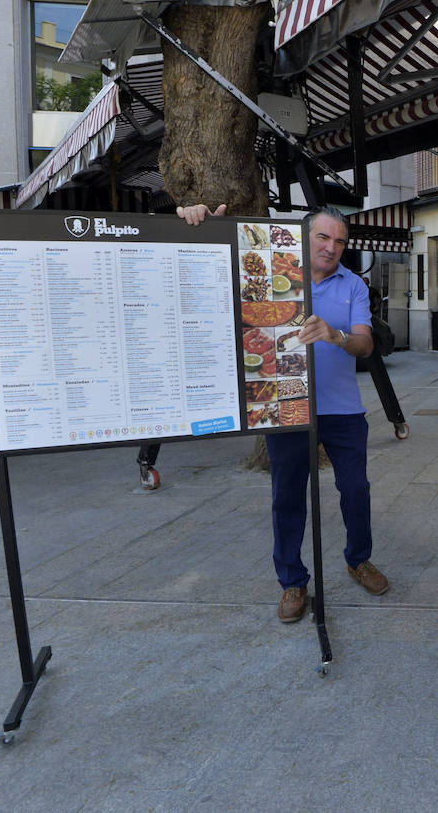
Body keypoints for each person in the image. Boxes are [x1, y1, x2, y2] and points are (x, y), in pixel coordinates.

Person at [177, 202, 388, 623]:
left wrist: (335, 334)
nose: (332, 247)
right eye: (323, 237)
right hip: (283, 404)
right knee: (287, 497)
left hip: (343, 410)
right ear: (302, 236)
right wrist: (200, 223)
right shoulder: (268, 275)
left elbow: (365, 344)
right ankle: (293, 581)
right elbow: (211, 267)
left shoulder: (353, 286)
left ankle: (358, 559)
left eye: (340, 241)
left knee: (357, 490)